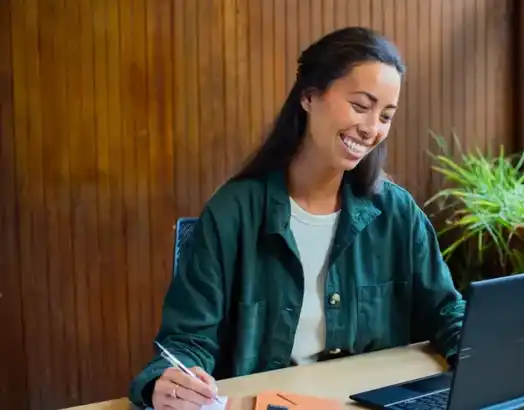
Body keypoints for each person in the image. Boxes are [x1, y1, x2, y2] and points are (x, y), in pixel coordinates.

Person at [128, 26, 465, 410]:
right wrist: (169, 384)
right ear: (309, 96)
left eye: (386, 115)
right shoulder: (232, 213)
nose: (372, 129)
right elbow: (186, 342)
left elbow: (445, 311)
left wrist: (485, 353)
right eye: (360, 106)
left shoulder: (397, 213)